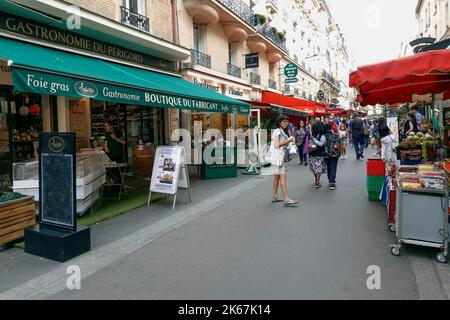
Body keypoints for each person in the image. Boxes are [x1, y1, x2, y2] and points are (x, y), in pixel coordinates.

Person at [269, 115, 298, 207]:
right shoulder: (278, 131)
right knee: (282, 177)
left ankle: (274, 196)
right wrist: (288, 140)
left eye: (287, 121)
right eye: (284, 121)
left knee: (277, 177)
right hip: (278, 157)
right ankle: (286, 198)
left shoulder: (280, 131)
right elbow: (277, 145)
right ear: (279, 123)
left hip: (277, 157)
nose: (286, 123)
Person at [308, 121, 327, 188]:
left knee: (317, 169)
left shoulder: (322, 135)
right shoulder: (313, 134)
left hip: (318, 154)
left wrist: (314, 140)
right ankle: (316, 180)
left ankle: (317, 181)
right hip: (313, 153)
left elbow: (321, 144)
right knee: (314, 168)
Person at [323, 123, 341, 190]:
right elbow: (339, 145)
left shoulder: (324, 136)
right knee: (333, 167)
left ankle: (329, 179)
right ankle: (332, 181)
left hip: (326, 154)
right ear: (331, 128)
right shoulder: (336, 136)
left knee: (328, 166)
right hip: (335, 153)